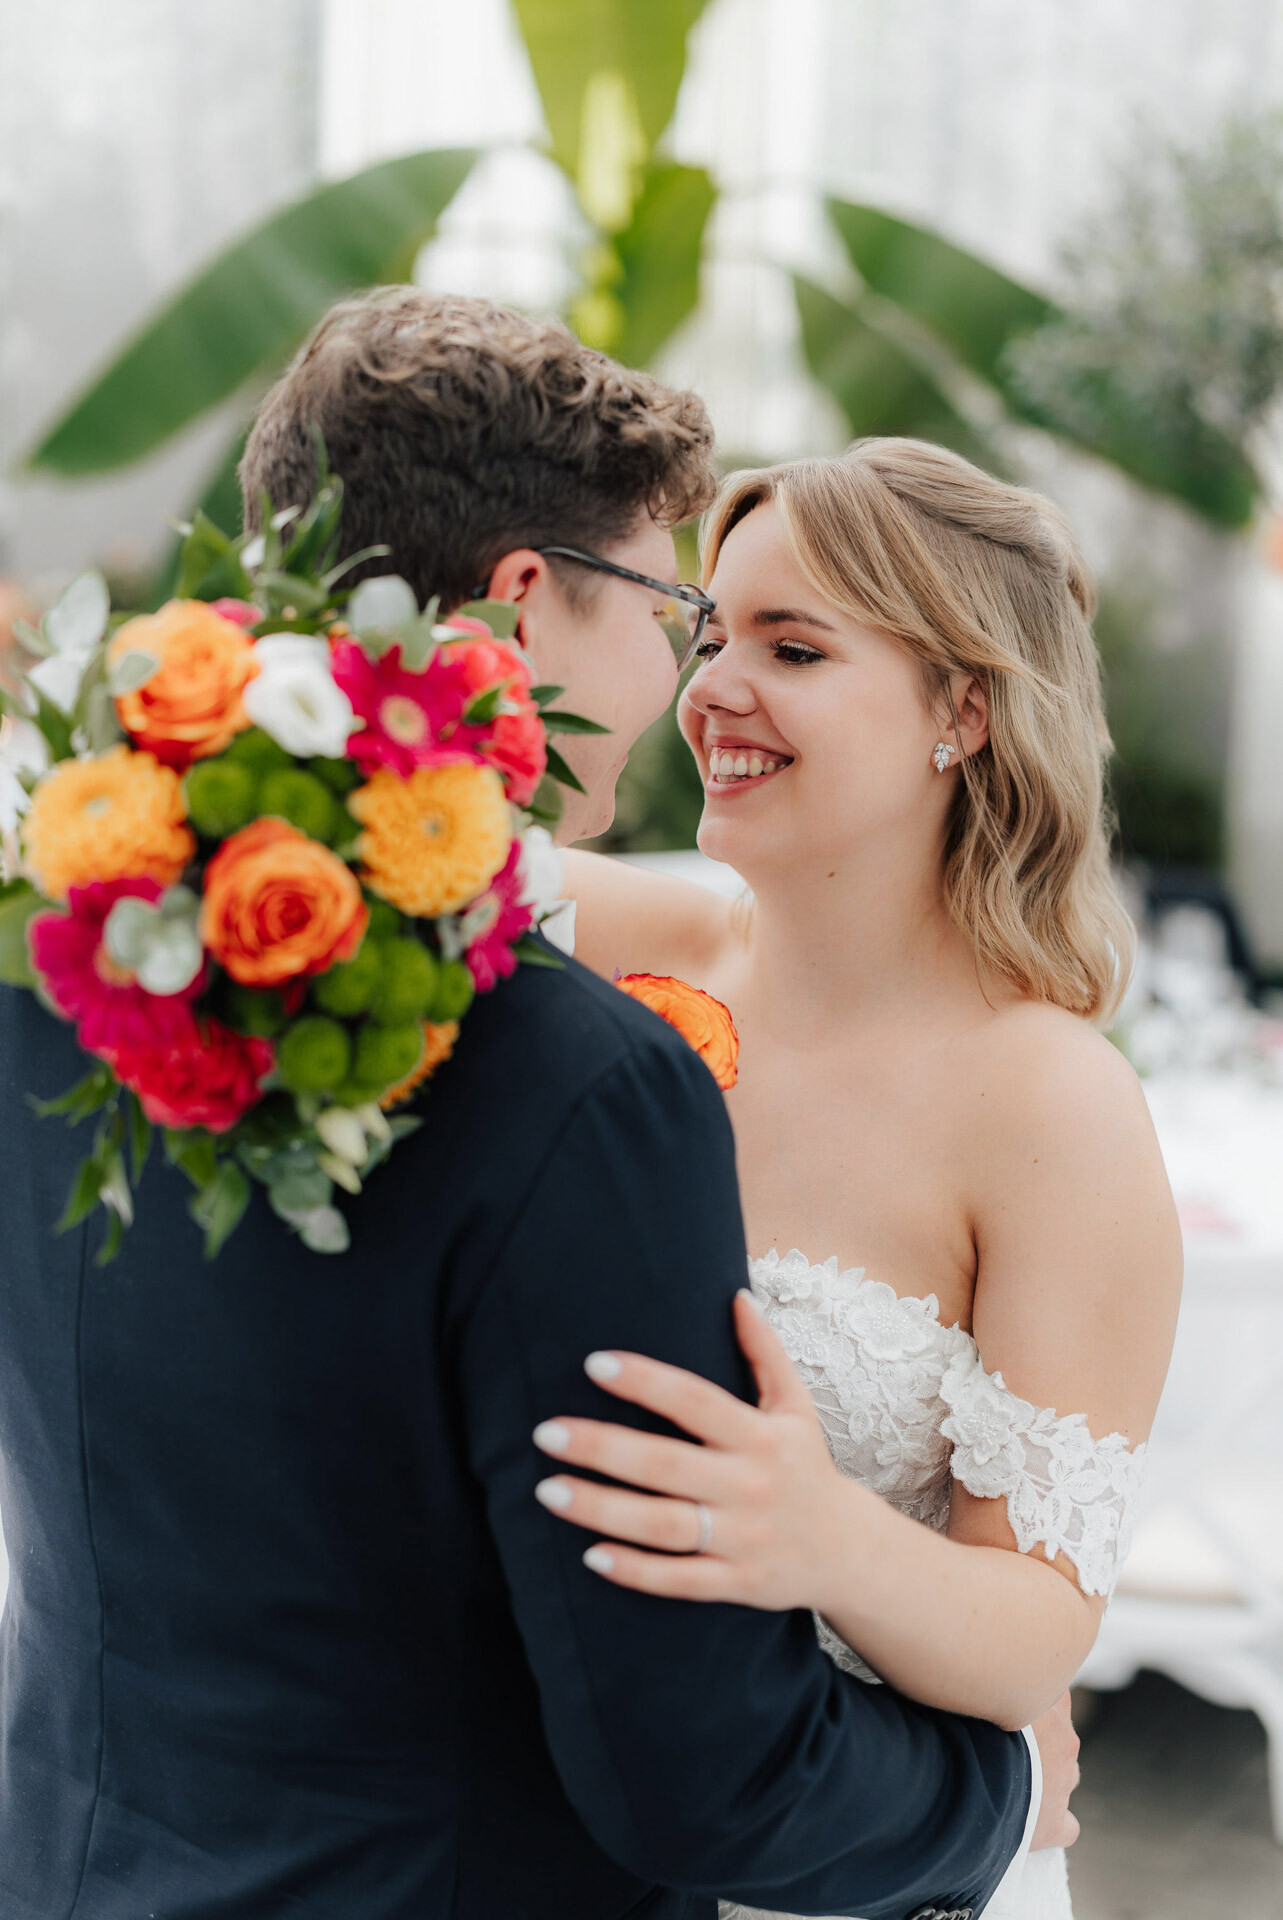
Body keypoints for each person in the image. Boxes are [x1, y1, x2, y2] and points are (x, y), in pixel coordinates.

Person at [0, 296, 1070, 1920]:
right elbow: (695, 1774)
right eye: (676, 609)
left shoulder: (55, 972)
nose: (691, 675)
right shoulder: (589, 1085)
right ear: (520, 603)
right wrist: (992, 1801)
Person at [535, 439, 1184, 1919]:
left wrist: (817, 1532)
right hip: (594, 1838)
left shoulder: (1050, 1104)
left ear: (965, 708)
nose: (708, 690)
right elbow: (360, 839)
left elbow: (1035, 1634)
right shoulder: (647, 952)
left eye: (795, 645)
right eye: (709, 633)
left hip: (882, 1864)